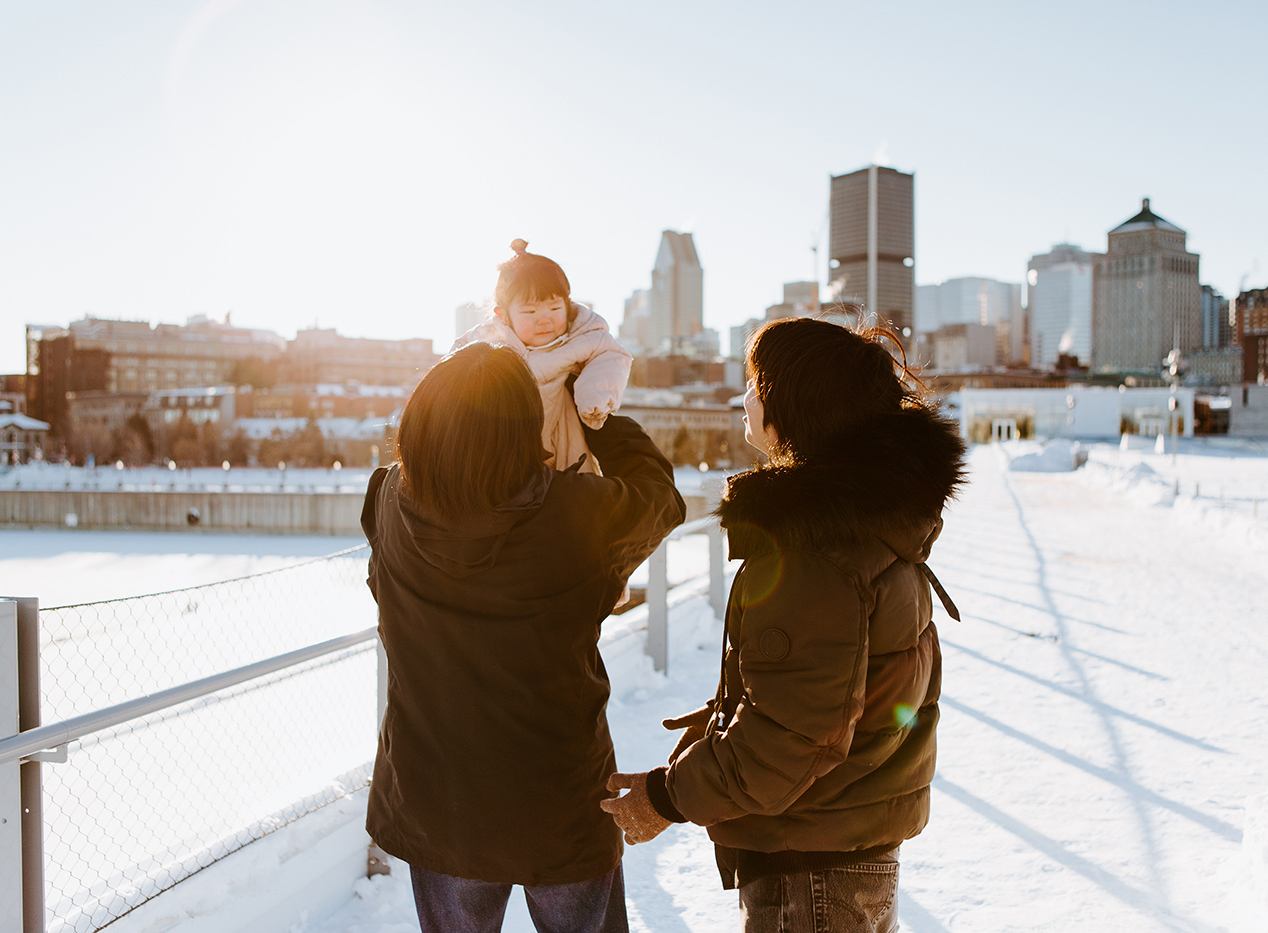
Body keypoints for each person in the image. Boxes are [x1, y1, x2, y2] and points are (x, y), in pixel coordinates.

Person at [601, 318, 966, 933]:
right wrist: (737, 707)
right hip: (847, 847)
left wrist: (665, 796)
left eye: (754, 384)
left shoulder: (813, 548)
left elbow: (796, 736)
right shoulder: (870, 524)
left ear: (793, 407)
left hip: (813, 872)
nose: (742, 399)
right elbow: (843, 691)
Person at [361, 342, 684, 933]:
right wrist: (597, 415)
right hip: (557, 797)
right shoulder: (573, 515)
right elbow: (660, 498)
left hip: (437, 798)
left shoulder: (387, 501)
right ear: (523, 428)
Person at [454, 239, 633, 473]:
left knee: (572, 496)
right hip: (500, 449)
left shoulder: (583, 336)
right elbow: (454, 377)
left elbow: (610, 357)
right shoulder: (485, 345)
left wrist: (594, 396)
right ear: (503, 315)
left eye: (555, 308)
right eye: (530, 311)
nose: (544, 320)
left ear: (568, 306)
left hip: (564, 439)